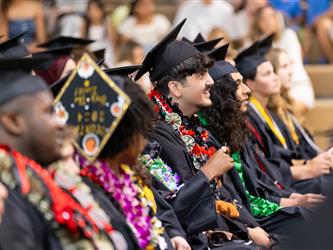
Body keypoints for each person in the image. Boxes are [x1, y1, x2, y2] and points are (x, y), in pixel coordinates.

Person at [136, 19, 271, 249]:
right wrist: (207, 173)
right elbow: (173, 205)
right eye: (201, 76)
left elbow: (225, 195)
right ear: (176, 88)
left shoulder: (195, 128)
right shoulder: (156, 138)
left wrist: (250, 226)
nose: (211, 81)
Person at [0, 57, 119, 249]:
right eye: (49, 112)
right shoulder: (8, 202)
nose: (63, 123)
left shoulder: (52, 179)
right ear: (13, 121)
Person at [199, 53, 316, 237]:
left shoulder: (233, 130)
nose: (247, 90)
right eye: (238, 84)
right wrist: (291, 202)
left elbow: (259, 184)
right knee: (305, 216)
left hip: (258, 209)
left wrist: (292, 200)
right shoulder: (208, 138)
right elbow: (241, 199)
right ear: (223, 94)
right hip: (245, 220)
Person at [237, 35, 333, 196]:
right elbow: (265, 164)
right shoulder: (249, 118)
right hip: (279, 186)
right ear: (251, 84)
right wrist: (307, 167)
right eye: (268, 74)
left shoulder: (270, 114)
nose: (275, 78)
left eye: (273, 72)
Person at [250, 5, 315, 113]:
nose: (268, 21)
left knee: (285, 113)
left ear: (277, 18)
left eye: (271, 16)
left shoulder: (289, 36)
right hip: (270, 90)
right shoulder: (255, 43)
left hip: (295, 85)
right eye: (263, 18)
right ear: (258, 23)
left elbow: (293, 66)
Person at [266, 48, 327, 160]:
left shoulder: (288, 105)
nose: (291, 71)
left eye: (290, 65)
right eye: (284, 67)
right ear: (272, 73)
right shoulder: (270, 114)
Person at [81, 0, 115, 66]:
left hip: (107, 56)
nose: (93, 13)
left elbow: (114, 44)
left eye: (96, 9)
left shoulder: (107, 24)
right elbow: (83, 45)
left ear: (102, 11)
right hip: (91, 56)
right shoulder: (84, 25)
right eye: (90, 10)